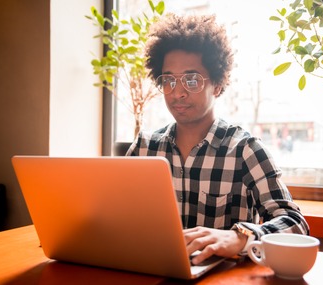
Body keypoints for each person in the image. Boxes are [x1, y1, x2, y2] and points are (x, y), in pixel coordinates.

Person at [126, 13, 309, 265]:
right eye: (168, 80)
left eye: (192, 79)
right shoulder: (144, 148)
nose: (177, 92)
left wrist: (240, 237)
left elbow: (296, 223)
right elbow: (118, 217)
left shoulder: (245, 150)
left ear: (218, 85)